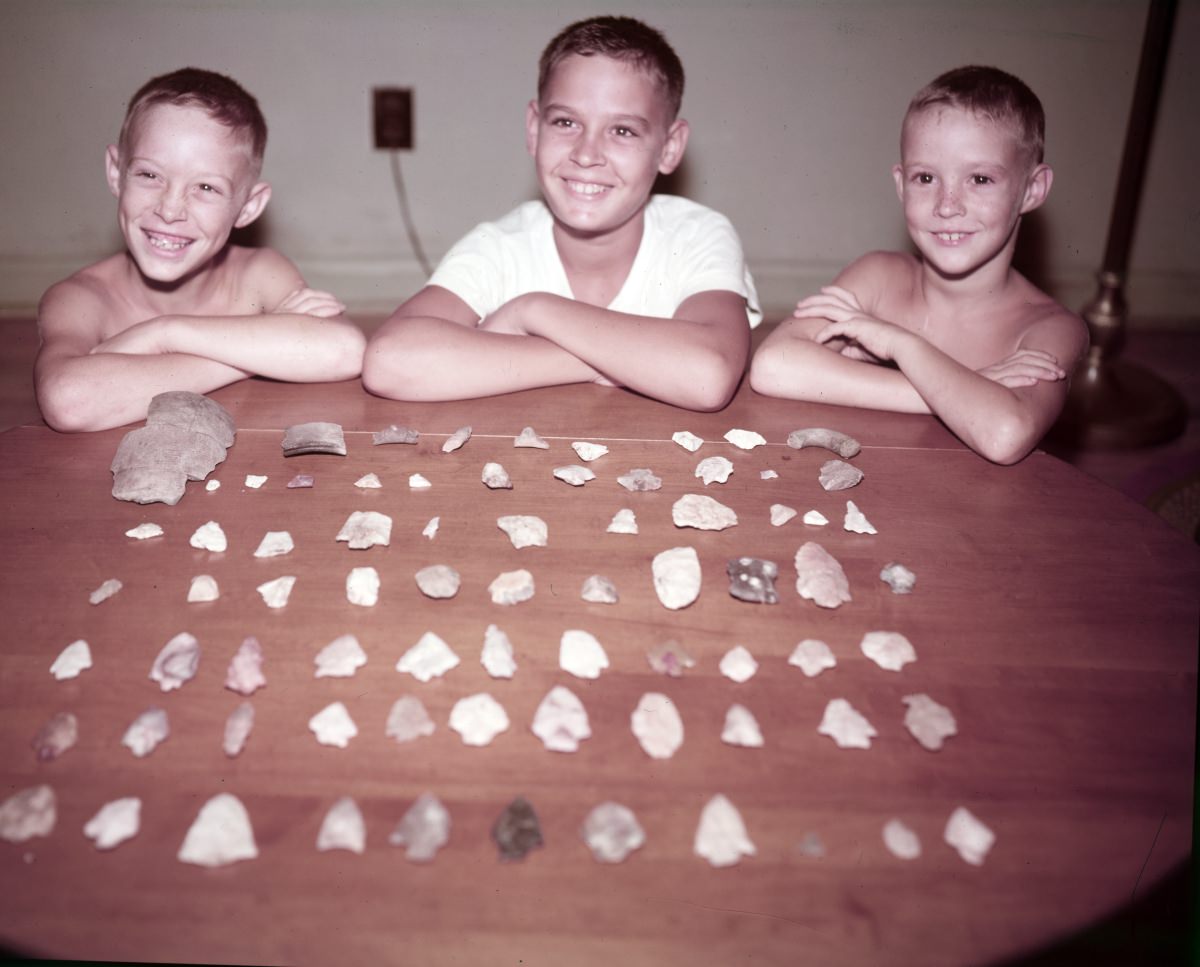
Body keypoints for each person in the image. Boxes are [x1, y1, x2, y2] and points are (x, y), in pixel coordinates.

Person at [363, 15, 760, 412]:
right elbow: (390, 361)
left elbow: (708, 377)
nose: (586, 154)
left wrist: (532, 310)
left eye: (622, 130)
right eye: (566, 122)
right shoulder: (500, 246)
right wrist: (613, 360)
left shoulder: (696, 234)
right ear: (534, 130)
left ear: (670, 147)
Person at [750, 66, 1087, 465]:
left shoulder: (1050, 328)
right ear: (900, 184)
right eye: (925, 177)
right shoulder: (878, 276)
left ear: (1032, 189)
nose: (947, 205)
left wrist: (899, 344)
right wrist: (962, 388)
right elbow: (774, 366)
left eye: (979, 179)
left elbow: (1003, 434)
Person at [34, 67, 365, 432]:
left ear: (248, 207)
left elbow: (344, 350)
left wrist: (165, 334)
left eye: (206, 188)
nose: (170, 209)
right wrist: (256, 349)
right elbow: (69, 400)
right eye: (149, 175)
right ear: (116, 173)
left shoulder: (259, 272)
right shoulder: (81, 297)